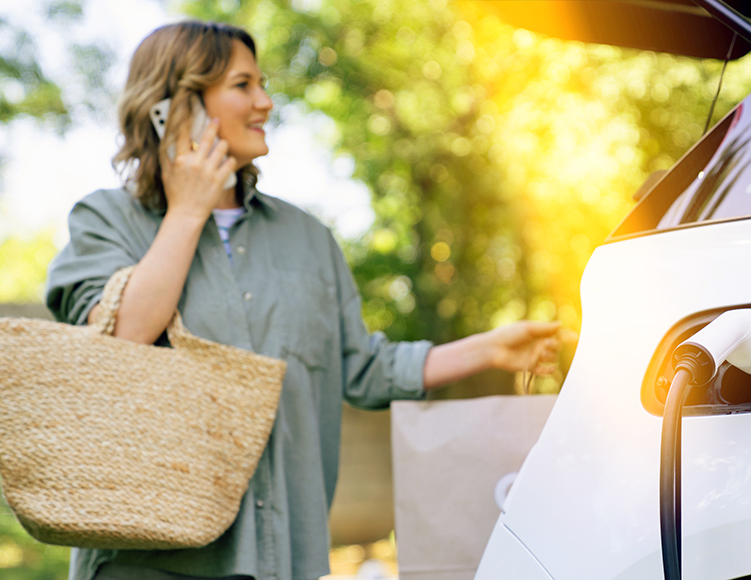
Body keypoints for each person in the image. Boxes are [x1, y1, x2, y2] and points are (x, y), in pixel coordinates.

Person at [45, 20, 562, 580]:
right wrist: (189, 208)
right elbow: (121, 340)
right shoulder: (105, 220)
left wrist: (490, 349)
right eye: (242, 85)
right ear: (177, 102)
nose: (265, 102)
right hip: (146, 566)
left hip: (282, 560)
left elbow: (361, 368)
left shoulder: (308, 239)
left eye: (262, 83)